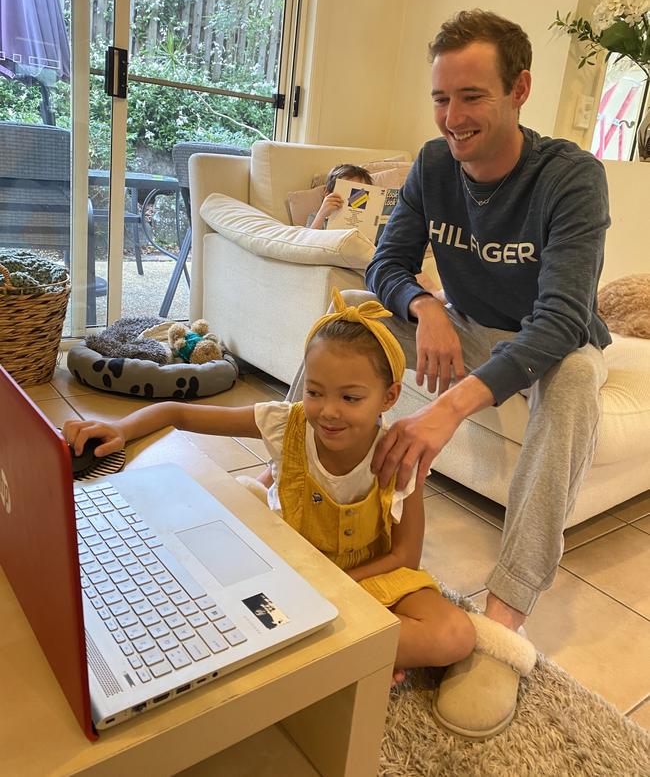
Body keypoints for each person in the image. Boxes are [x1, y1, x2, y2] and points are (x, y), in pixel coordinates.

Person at [337, 8, 609, 737]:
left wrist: (451, 404)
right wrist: (423, 304)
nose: (452, 118)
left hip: (554, 341)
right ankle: (296, 496)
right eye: (441, 98)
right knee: (349, 319)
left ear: (519, 89)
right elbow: (384, 264)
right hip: (461, 323)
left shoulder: (571, 178)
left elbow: (560, 321)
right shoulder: (433, 164)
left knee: (579, 379)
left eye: (471, 97)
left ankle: (501, 623)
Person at [63, 290, 477, 687]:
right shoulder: (287, 423)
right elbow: (177, 413)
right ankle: (362, 650)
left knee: (455, 634)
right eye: (314, 392)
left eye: (351, 398)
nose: (328, 411)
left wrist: (340, 584)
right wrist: (119, 427)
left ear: (388, 398)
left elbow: (405, 555)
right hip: (291, 569)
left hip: (368, 575)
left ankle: (349, 648)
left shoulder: (400, 454)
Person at [308, 163, 373, 230]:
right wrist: (321, 215)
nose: (353, 199)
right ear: (327, 194)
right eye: (347, 190)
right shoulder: (316, 216)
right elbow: (309, 239)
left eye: (359, 194)